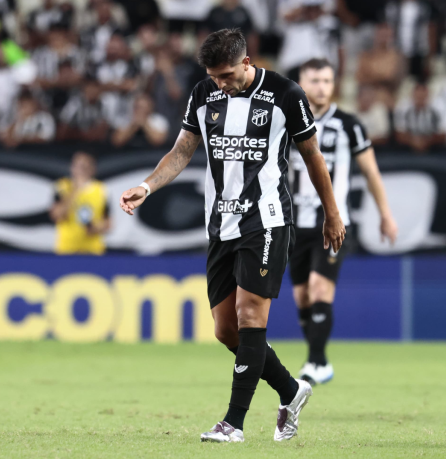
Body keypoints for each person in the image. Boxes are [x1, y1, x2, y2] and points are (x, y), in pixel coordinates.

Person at [118, 29, 345, 443]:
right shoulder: (204, 94)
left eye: (226, 75)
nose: (220, 83)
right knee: (226, 330)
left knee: (250, 315)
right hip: (221, 224)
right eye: (213, 76)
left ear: (246, 62)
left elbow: (313, 155)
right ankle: (291, 391)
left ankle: (233, 423)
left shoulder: (285, 93)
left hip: (268, 220)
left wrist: (332, 213)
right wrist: (147, 187)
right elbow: (182, 151)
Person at [289, 58, 398, 385]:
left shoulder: (349, 124)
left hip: (333, 224)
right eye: (315, 80)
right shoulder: (286, 121)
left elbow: (371, 172)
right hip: (293, 224)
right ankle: (320, 361)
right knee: (302, 296)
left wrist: (385, 214)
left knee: (319, 287)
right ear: (301, 84)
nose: (322, 87)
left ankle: (314, 362)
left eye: (327, 80)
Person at [50, 151, 111, 255]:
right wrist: (76, 190)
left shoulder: (101, 189)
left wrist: (96, 227)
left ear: (92, 169)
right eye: (77, 166)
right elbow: (56, 215)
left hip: (93, 250)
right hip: (67, 249)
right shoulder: (62, 186)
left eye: (84, 167)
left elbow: (108, 222)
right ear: (72, 167)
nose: (80, 171)